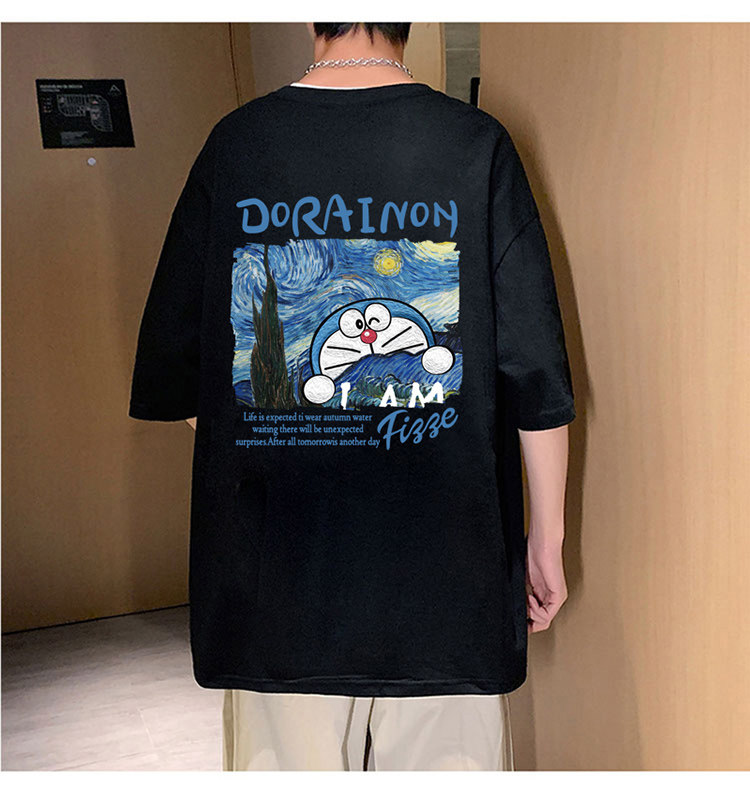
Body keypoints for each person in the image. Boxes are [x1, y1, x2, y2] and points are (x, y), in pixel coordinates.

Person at [129, 22, 576, 771]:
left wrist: (282, 437)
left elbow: (179, 371)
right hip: (448, 573)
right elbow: (535, 373)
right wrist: (547, 539)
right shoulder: (476, 145)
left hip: (278, 581)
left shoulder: (237, 145)